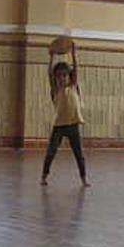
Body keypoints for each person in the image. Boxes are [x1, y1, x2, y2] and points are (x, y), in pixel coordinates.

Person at [41, 43, 89, 187]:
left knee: (79, 154)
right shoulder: (55, 90)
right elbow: (49, 73)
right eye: (59, 76)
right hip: (59, 126)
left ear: (69, 76)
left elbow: (76, 69)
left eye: (64, 75)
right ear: (55, 78)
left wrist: (73, 53)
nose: (61, 78)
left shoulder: (73, 86)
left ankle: (84, 179)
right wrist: (51, 57)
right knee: (51, 152)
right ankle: (44, 176)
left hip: (73, 125)